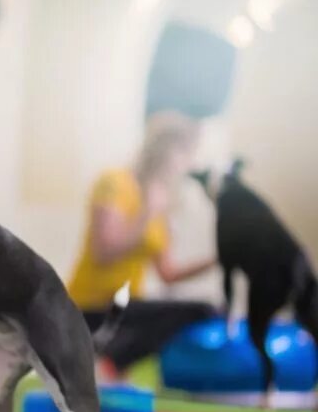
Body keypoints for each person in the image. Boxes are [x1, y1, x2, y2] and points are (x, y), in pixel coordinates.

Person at [68, 111, 216, 381]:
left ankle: (110, 363)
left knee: (206, 310)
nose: (187, 163)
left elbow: (168, 275)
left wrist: (219, 258)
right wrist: (146, 213)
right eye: (184, 152)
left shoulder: (162, 203)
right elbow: (104, 252)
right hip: (92, 306)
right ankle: (107, 363)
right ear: (164, 149)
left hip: (127, 308)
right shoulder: (115, 182)